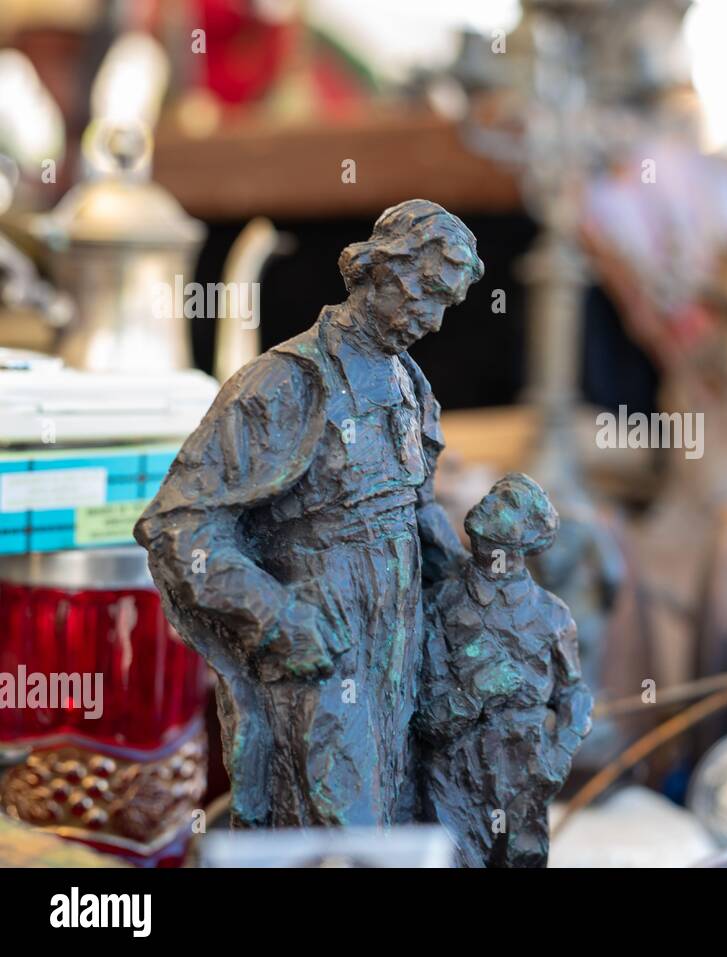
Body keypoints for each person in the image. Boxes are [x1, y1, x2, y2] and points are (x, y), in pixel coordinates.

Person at [134, 199, 484, 828]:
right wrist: (274, 618)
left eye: (447, 305)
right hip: (319, 654)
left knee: (402, 821)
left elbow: (419, 509)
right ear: (376, 269)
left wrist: (480, 593)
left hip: (399, 655)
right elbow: (178, 524)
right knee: (330, 831)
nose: (432, 322)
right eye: (426, 291)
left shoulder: (411, 384)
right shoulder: (284, 384)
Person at [413, 472, 592, 867]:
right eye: (494, 495)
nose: (490, 503)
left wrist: (557, 757)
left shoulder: (551, 616)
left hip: (524, 781)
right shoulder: (440, 606)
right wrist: (472, 695)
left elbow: (574, 695)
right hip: (454, 781)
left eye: (507, 503)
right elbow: (422, 723)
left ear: (528, 537)